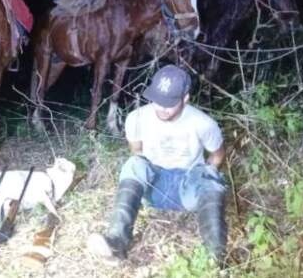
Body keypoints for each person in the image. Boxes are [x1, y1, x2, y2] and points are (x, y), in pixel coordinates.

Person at [86, 65, 227, 265]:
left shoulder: (203, 123)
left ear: (185, 98)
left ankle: (217, 255)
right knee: (134, 164)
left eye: (168, 103)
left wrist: (202, 178)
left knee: (211, 176)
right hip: (153, 189)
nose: (161, 108)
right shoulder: (136, 118)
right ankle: (117, 242)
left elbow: (217, 155)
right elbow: (137, 152)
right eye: (156, 100)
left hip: (187, 189)